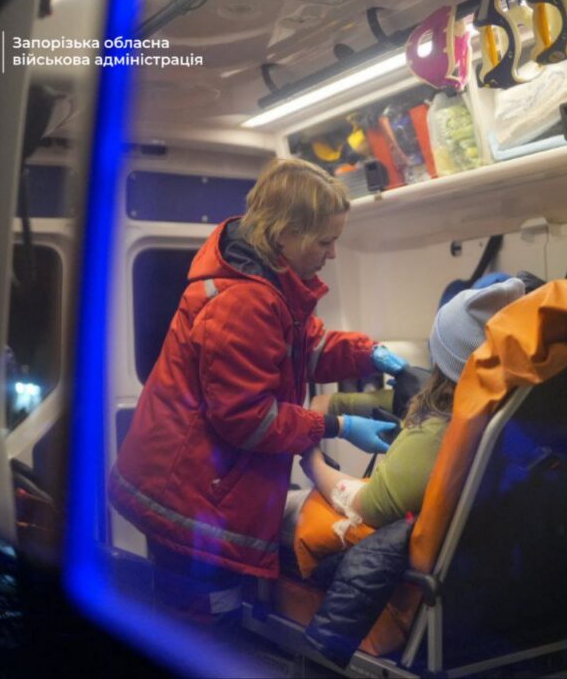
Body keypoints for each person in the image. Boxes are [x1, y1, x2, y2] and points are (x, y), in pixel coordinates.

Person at [108, 158, 408, 622]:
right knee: (204, 627)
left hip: (204, 487)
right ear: (285, 233)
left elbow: (306, 347)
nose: (332, 254)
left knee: (212, 620)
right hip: (192, 497)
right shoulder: (241, 302)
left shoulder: (271, 286)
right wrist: (337, 425)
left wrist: (371, 353)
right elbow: (246, 418)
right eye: (325, 241)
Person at [297, 276, 526, 543]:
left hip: (400, 565)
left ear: (440, 356)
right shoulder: (510, 411)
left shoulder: (435, 434)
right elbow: (322, 405)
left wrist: (312, 461)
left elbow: (363, 507)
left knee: (292, 510)